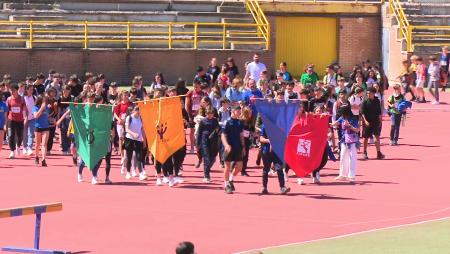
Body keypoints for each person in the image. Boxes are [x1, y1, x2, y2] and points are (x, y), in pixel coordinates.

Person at [259, 122, 290, 194]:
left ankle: (282, 187)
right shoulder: (265, 125)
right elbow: (261, 138)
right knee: (266, 169)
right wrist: (269, 141)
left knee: (279, 169)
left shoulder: (280, 126)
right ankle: (264, 187)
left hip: (277, 152)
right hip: (266, 152)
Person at [221, 105, 245, 194]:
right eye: (238, 111)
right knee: (227, 166)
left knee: (239, 167)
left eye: (240, 111)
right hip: (228, 148)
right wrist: (226, 145)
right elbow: (223, 135)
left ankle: (231, 179)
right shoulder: (226, 122)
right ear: (233, 111)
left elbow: (241, 135)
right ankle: (226, 185)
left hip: (238, 147)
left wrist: (243, 147)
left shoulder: (239, 122)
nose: (239, 113)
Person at [332, 106, 359, 183]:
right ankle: (342, 174)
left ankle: (352, 176)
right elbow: (334, 124)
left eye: (343, 113)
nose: (342, 115)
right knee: (343, 157)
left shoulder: (354, 119)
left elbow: (357, 130)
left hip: (352, 141)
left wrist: (350, 126)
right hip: (344, 140)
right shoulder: (342, 118)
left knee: (352, 158)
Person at [196, 106, 220, 183]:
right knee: (206, 158)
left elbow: (218, 130)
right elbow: (199, 132)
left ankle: (207, 170)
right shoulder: (203, 121)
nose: (210, 115)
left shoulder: (215, 121)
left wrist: (217, 131)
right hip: (204, 140)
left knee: (212, 158)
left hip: (213, 141)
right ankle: (206, 176)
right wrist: (197, 143)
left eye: (212, 113)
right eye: (208, 113)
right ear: (206, 113)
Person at [361, 87, 385, 160]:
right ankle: (364, 152)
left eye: (370, 93)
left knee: (377, 136)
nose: (368, 94)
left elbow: (379, 112)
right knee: (366, 138)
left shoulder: (377, 100)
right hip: (367, 122)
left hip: (375, 121)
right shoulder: (364, 101)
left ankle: (378, 153)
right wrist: (365, 121)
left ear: (373, 93)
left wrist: (380, 120)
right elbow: (362, 113)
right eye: (367, 93)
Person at [124, 106, 147, 181]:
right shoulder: (129, 118)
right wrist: (133, 134)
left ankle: (140, 173)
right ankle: (128, 172)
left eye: (139, 112)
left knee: (139, 157)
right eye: (137, 111)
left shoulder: (141, 118)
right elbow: (126, 129)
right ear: (134, 111)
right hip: (129, 139)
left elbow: (142, 130)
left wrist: (144, 141)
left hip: (138, 140)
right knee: (129, 156)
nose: (138, 113)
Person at [6, 83, 28, 158]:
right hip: (11, 120)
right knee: (11, 135)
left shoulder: (21, 99)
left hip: (20, 120)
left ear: (17, 90)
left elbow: (24, 109)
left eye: (13, 90)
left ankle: (18, 146)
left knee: (20, 136)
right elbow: (7, 111)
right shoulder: (9, 99)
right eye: (10, 90)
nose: (12, 91)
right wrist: (5, 122)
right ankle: (12, 151)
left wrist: (25, 118)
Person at [185, 80, 207, 153]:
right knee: (192, 131)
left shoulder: (203, 93)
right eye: (194, 86)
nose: (195, 88)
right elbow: (187, 105)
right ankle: (191, 147)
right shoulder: (190, 93)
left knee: (200, 131)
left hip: (200, 115)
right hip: (192, 114)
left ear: (200, 86)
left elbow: (206, 104)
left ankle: (200, 147)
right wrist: (189, 116)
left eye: (197, 87)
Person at [33, 95, 49, 167]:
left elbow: (48, 115)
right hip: (38, 127)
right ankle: (36, 157)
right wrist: (42, 108)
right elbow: (36, 116)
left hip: (46, 127)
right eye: (44, 101)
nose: (45, 102)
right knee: (37, 144)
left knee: (44, 144)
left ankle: (43, 159)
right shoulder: (35, 107)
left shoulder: (47, 107)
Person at [22, 84, 36, 156]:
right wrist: (25, 118)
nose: (31, 91)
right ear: (26, 90)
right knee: (24, 134)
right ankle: (24, 147)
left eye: (32, 89)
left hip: (32, 118)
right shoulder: (23, 98)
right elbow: (22, 109)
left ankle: (30, 148)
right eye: (30, 89)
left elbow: (36, 107)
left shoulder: (34, 97)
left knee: (31, 134)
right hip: (24, 118)